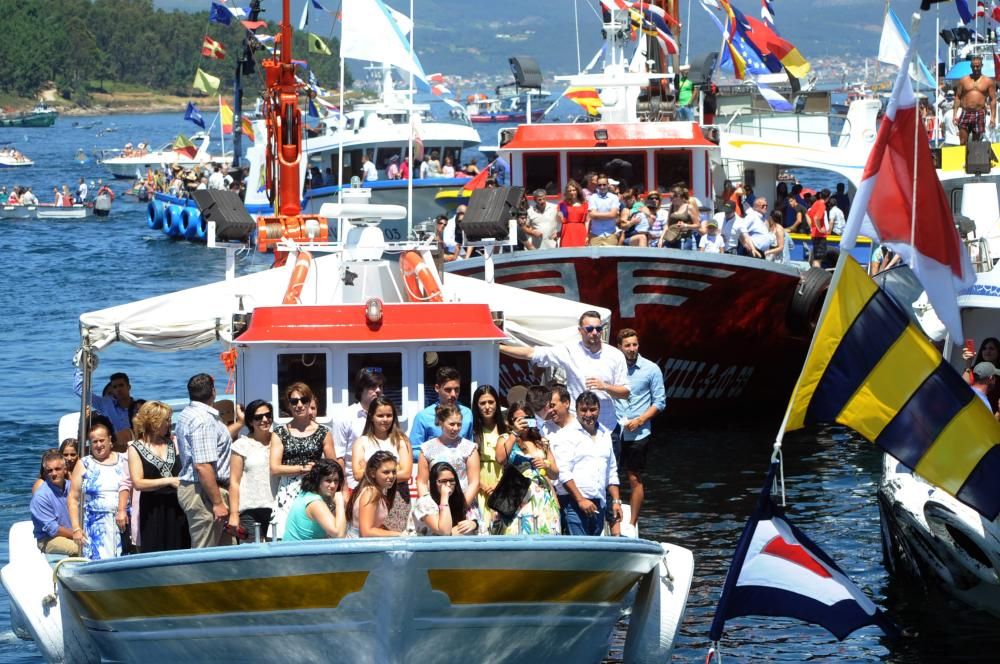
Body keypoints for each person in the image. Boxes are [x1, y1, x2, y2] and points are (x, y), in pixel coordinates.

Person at [500, 310, 630, 433]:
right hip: (578, 426)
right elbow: (531, 353)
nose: (595, 332)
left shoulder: (615, 355)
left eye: (598, 328)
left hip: (607, 426)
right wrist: (498, 347)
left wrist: (605, 386)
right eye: (590, 329)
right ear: (580, 331)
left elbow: (625, 393)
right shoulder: (569, 350)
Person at [614, 329, 665, 534]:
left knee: (634, 477)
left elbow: (660, 402)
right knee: (610, 476)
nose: (632, 349)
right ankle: (612, 520)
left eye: (634, 344)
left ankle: (632, 524)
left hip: (639, 432)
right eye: (627, 345)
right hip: (615, 429)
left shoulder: (651, 369)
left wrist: (641, 419)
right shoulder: (614, 368)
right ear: (620, 347)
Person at [270, 382, 336, 540]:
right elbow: (274, 468)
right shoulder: (280, 432)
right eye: (294, 401)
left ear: (309, 401)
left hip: (315, 490)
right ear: (288, 404)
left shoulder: (323, 432)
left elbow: (332, 466)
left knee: (315, 536)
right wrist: (303, 468)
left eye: (303, 400)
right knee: (285, 537)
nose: (299, 405)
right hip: (288, 492)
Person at [176, 373, 234, 548]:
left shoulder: (188, 413)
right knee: (205, 551)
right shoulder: (204, 420)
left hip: (203, 489)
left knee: (224, 551)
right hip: (204, 492)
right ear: (213, 392)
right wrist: (217, 502)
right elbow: (202, 465)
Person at [551, 391, 621, 536]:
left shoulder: (605, 434)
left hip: (598, 503)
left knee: (594, 551)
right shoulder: (566, 435)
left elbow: (612, 471)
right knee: (579, 551)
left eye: (593, 409)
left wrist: (616, 501)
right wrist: (581, 500)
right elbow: (564, 473)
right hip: (574, 503)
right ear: (576, 411)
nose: (588, 414)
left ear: (599, 410)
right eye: (583, 410)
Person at [128, 401, 189, 552]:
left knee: (180, 547)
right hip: (153, 508)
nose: (170, 423)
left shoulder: (172, 443)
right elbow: (138, 483)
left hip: (176, 506)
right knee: (155, 549)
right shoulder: (135, 448)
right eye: (167, 420)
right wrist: (169, 480)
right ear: (154, 422)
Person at [494, 402, 561, 535]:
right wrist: (515, 433)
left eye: (527, 419)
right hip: (517, 497)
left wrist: (546, 465)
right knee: (516, 535)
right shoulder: (505, 438)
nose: (523, 423)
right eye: (519, 420)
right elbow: (500, 459)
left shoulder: (542, 441)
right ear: (511, 421)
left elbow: (555, 474)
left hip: (542, 497)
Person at [68, 422, 130, 560]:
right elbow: (73, 498)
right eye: (94, 441)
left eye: (102, 440)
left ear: (110, 440)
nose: (98, 445)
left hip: (124, 522)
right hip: (96, 525)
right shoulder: (84, 464)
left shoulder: (124, 460)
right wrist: (76, 528)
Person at [350, 396, 413, 532]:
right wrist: (396, 468)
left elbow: (406, 473)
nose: (385, 419)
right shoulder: (362, 442)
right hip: (370, 497)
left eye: (389, 415)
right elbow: (356, 474)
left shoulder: (402, 440)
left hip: (397, 498)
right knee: (370, 534)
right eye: (380, 415)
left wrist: (370, 468)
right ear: (371, 416)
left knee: (396, 540)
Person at [229, 399, 279, 541]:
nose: (265, 420)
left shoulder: (279, 441)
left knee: (278, 555)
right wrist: (233, 514)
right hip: (250, 510)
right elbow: (234, 482)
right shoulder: (241, 445)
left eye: (268, 415)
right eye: (258, 417)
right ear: (250, 422)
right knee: (253, 557)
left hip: (277, 508)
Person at [417, 404, 481, 511]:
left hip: (464, 504)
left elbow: (474, 482)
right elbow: (422, 482)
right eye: (451, 424)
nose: (455, 428)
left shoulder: (469, 448)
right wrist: (429, 507)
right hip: (435, 506)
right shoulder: (426, 448)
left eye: (459, 424)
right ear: (441, 423)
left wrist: (461, 506)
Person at [334, 368, 385, 490]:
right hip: (355, 485)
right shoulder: (345, 416)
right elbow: (338, 457)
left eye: (380, 386)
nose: (378, 390)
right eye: (372, 387)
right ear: (361, 389)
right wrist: (343, 488)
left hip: (384, 486)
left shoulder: (387, 416)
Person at [408, 366, 473, 459]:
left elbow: (470, 446)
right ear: (437, 388)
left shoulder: (467, 414)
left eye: (457, 389)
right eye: (448, 390)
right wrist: (441, 456)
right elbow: (414, 450)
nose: (453, 394)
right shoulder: (423, 417)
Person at [407, 462, 479, 536]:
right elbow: (445, 532)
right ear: (433, 483)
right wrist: (444, 497)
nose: (448, 485)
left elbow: (476, 522)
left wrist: (474, 524)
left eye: (451, 480)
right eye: (443, 481)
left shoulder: (458, 498)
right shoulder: (424, 502)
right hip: (417, 545)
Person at [30, 450, 80, 555]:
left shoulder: (73, 487)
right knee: (78, 548)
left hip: (74, 532)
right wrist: (77, 534)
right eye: (50, 470)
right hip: (49, 539)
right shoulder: (41, 497)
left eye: (57, 469)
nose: (54, 473)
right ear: (45, 473)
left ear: (65, 470)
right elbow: (53, 529)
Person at [283, 460, 347, 540]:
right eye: (328, 480)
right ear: (318, 480)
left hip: (296, 549)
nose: (333, 485)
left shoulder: (306, 494)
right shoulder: (315, 502)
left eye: (336, 481)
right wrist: (339, 503)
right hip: (299, 551)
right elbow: (339, 534)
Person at [471, 385, 506, 526]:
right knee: (484, 525)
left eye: (491, 402)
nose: (487, 407)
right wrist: (480, 484)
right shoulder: (472, 430)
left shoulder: (506, 427)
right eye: (482, 403)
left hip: (503, 482)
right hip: (480, 484)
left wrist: (500, 484)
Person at [346, 451, 402, 537]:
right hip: (358, 547)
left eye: (394, 472)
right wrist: (401, 535)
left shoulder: (375, 491)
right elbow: (366, 532)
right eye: (386, 472)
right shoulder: (371, 492)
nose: (391, 476)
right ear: (372, 473)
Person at [73, 369, 144, 436]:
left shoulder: (139, 408)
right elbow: (80, 390)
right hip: (112, 446)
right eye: (115, 387)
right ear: (112, 390)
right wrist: (81, 366)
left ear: (129, 387)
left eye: (121, 385)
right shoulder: (105, 405)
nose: (118, 389)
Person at [954, 56, 996, 146]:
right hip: (965, 112)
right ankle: (963, 159)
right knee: (962, 142)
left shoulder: (988, 81)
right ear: (970, 66)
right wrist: (955, 114)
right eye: (974, 66)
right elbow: (957, 97)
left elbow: (993, 100)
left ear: (982, 66)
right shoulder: (963, 80)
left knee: (976, 144)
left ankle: (975, 160)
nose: (976, 68)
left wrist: (993, 117)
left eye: (978, 66)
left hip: (979, 113)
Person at [963, 337, 1000, 412]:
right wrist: (968, 364)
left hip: (990, 416)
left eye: (991, 348)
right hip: (970, 410)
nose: (987, 351)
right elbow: (964, 387)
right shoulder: (972, 370)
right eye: (984, 348)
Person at [586, 175, 621, 246]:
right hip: (595, 235)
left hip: (610, 234)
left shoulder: (614, 197)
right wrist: (609, 214)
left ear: (608, 185)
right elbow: (592, 215)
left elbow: (613, 215)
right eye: (600, 185)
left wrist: (597, 214)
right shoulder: (593, 197)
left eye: (604, 185)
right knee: (595, 257)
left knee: (611, 257)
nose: (602, 187)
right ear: (597, 186)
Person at [558, 180, 589, 247]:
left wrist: (587, 235)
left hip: (580, 231)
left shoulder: (584, 204)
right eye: (570, 191)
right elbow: (560, 220)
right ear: (567, 192)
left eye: (574, 190)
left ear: (578, 191)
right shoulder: (562, 204)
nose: (572, 192)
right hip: (567, 231)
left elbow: (587, 221)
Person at [808, 189, 830, 268]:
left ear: (820, 195)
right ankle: (817, 274)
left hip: (814, 234)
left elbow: (808, 215)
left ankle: (815, 273)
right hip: (819, 235)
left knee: (817, 256)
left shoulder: (815, 203)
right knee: (819, 258)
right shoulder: (822, 205)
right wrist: (820, 229)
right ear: (828, 198)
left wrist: (811, 226)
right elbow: (816, 218)